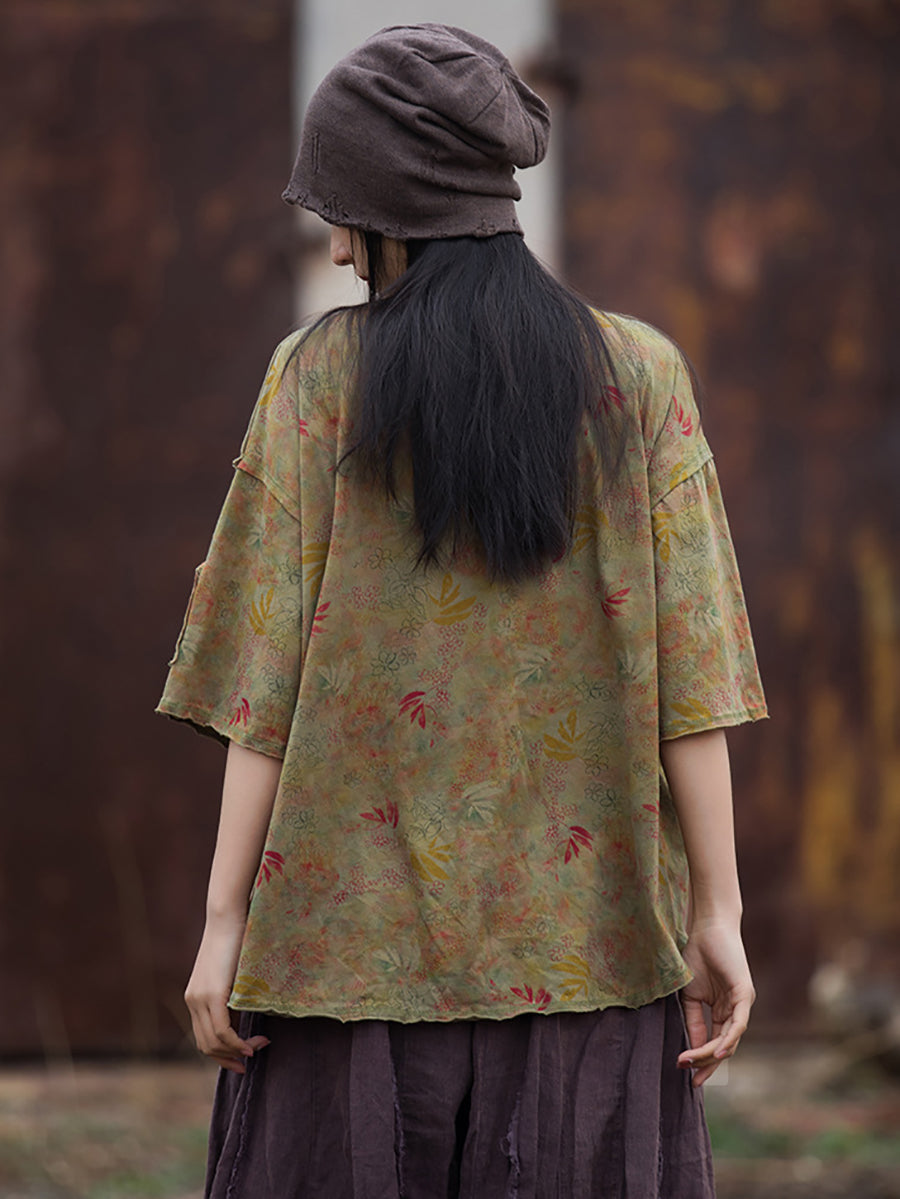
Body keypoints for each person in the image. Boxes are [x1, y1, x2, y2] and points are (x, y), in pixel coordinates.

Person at [157, 23, 766, 1199]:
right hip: (590, 960)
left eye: (343, 213)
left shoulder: (313, 379)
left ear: (395, 208)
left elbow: (259, 678)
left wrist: (226, 918)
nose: (336, 245)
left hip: (343, 970)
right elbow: (696, 672)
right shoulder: (638, 377)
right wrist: (719, 908)